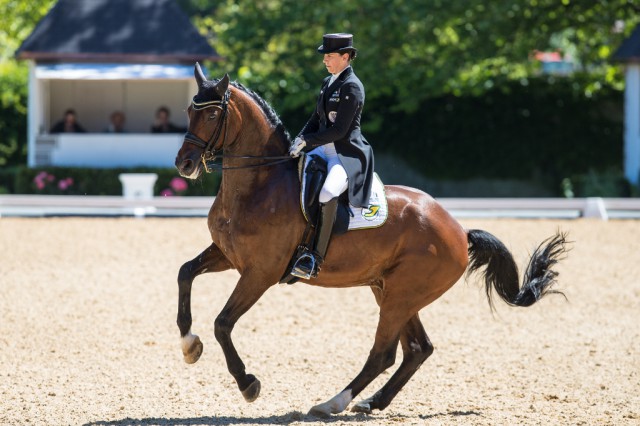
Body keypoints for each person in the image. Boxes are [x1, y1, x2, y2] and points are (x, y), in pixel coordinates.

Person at [288, 33, 374, 279]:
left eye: (329, 55)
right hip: (322, 149)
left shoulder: (352, 87)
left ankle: (315, 257)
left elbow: (339, 130)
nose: (325, 60)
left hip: (345, 153)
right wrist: (299, 139)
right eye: (325, 55)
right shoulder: (329, 82)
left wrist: (308, 141)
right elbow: (316, 119)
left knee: (327, 192)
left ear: (345, 57)